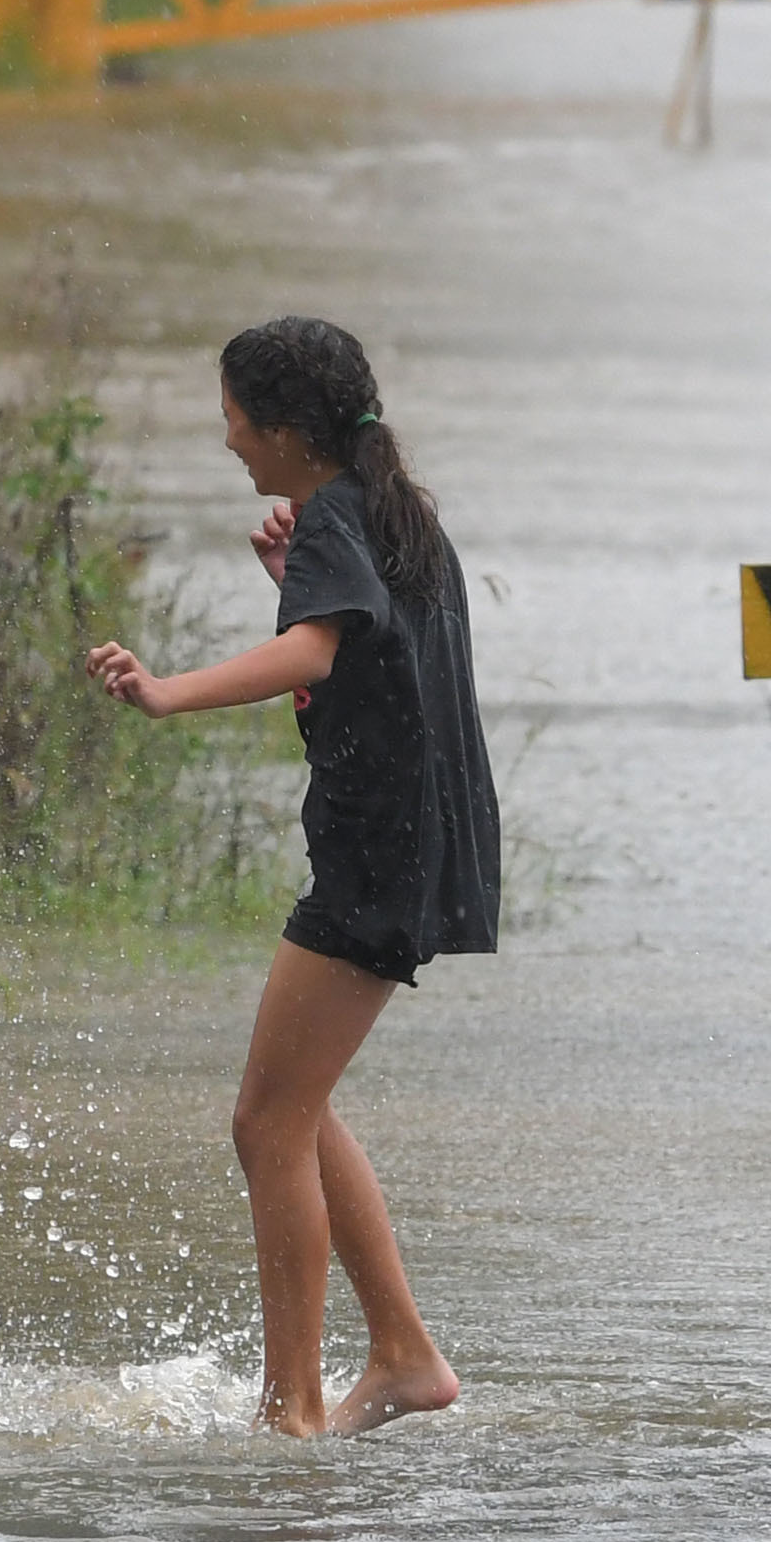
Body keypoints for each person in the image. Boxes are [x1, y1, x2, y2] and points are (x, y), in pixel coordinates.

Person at [84, 315, 501, 1437]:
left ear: (282, 428)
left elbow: (315, 653)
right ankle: (406, 1356)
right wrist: (296, 579)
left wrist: (167, 690)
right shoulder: (389, 512)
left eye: (232, 418)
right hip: (419, 846)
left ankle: (293, 1406)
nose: (225, 441)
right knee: (296, 1109)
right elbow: (359, 645)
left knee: (264, 1124)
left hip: (378, 858)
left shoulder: (335, 515)